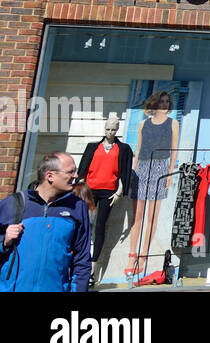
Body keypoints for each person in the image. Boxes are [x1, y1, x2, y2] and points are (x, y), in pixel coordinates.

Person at [1, 152, 92, 292]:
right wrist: (4, 242)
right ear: (50, 176)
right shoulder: (14, 203)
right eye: (70, 172)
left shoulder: (77, 207)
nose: (75, 176)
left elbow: (82, 259)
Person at [126, 90, 179, 276]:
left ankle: (144, 255)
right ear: (154, 103)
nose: (164, 105)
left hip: (160, 167)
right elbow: (139, 149)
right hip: (142, 167)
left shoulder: (173, 123)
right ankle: (132, 254)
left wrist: (170, 172)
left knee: (152, 217)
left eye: (167, 102)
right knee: (137, 216)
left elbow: (174, 149)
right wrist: (134, 169)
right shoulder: (142, 124)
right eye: (161, 101)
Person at [76, 115, 133, 278]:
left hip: (109, 192)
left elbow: (124, 173)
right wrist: (81, 187)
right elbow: (83, 170)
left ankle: (93, 268)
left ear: (117, 130)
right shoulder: (93, 147)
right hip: (90, 190)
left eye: (113, 129)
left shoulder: (123, 149)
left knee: (100, 227)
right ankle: (80, 261)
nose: (110, 132)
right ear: (104, 128)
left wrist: (119, 192)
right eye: (108, 129)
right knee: (86, 224)